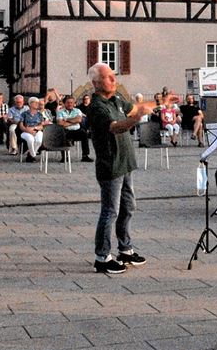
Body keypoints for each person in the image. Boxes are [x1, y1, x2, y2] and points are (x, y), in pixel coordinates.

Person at [87, 62, 161, 274]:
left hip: (125, 163)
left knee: (128, 207)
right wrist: (135, 119)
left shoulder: (117, 99)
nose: (114, 80)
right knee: (110, 211)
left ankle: (125, 250)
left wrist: (161, 102)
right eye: (109, 77)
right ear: (95, 83)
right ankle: (102, 257)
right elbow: (115, 127)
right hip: (111, 165)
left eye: (113, 76)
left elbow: (136, 108)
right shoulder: (97, 107)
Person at [57, 96, 92, 162]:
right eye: (68, 102)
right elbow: (61, 123)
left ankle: (85, 156)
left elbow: (79, 119)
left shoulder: (77, 110)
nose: (70, 104)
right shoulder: (60, 112)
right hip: (66, 131)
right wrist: (74, 122)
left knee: (84, 133)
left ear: (74, 104)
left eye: (71, 103)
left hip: (77, 131)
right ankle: (65, 157)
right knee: (62, 134)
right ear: (64, 103)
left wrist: (66, 119)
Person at [19, 96, 50, 162]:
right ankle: (33, 155)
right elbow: (21, 126)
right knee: (31, 140)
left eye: (37, 103)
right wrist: (28, 130)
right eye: (35, 103)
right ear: (30, 104)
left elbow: (41, 126)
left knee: (39, 141)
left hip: (36, 130)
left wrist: (34, 128)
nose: (37, 104)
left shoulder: (39, 114)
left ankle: (30, 155)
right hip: (26, 131)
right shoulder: (24, 114)